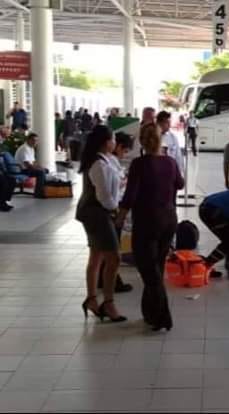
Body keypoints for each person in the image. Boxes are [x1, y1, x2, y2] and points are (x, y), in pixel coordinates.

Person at [117, 124, 184, 331]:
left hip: (147, 221)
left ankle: (163, 316)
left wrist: (120, 217)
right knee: (157, 266)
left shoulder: (139, 164)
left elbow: (130, 195)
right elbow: (180, 184)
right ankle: (150, 313)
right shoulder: (171, 162)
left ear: (142, 141)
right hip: (168, 219)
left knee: (149, 271)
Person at [75, 125, 127, 323]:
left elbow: (114, 182)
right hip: (97, 214)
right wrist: (116, 210)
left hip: (97, 212)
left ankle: (92, 299)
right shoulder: (98, 164)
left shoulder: (106, 160)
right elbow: (104, 197)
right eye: (113, 139)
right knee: (113, 258)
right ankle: (108, 301)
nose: (115, 142)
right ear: (107, 142)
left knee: (96, 256)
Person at [97, 131, 134, 293]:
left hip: (112, 205)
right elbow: (110, 187)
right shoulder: (104, 163)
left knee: (106, 249)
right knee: (112, 249)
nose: (123, 154)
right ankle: (110, 281)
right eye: (124, 150)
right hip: (110, 207)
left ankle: (102, 279)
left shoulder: (110, 160)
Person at [14, 133, 48, 198]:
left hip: (27, 168)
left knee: (45, 170)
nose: (35, 142)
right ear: (28, 140)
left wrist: (40, 167)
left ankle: (43, 190)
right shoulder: (24, 148)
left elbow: (33, 162)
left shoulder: (31, 148)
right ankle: (38, 193)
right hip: (21, 169)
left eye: (36, 140)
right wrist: (38, 169)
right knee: (40, 172)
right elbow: (27, 164)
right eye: (33, 140)